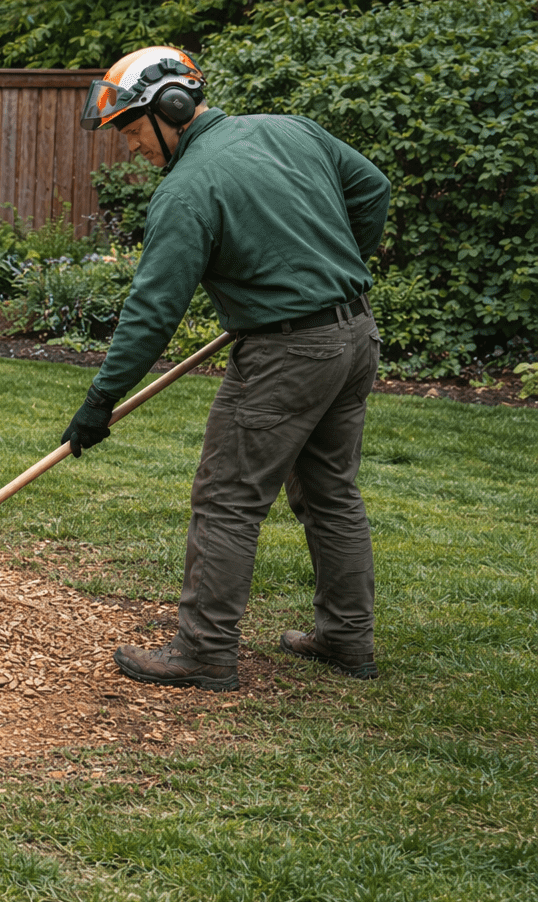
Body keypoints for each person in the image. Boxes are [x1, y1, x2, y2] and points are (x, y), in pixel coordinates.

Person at [61, 46, 391, 692]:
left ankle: (206, 649)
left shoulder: (187, 190)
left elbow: (153, 311)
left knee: (227, 498)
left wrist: (101, 399)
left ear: (172, 108)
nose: (131, 149)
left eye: (132, 132)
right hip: (355, 336)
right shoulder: (290, 130)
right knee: (332, 493)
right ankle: (348, 640)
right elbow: (372, 189)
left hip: (288, 356)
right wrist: (333, 268)